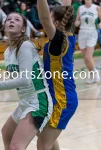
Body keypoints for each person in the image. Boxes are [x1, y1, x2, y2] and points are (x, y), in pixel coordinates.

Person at [0, 12, 53, 150]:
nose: (11, 21)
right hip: (25, 101)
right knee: (7, 133)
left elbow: (25, 80)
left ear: (23, 29)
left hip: (38, 100)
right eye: (8, 19)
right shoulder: (8, 51)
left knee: (17, 146)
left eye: (17, 20)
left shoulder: (25, 46)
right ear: (4, 25)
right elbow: (15, 76)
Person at [36, 0, 78, 149]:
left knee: (42, 145)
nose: (49, 20)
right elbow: (66, 5)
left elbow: (44, 18)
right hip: (58, 97)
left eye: (52, 18)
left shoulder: (59, 40)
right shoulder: (69, 34)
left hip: (62, 100)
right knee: (47, 140)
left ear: (57, 22)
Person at [75, 0, 101, 83]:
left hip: (92, 33)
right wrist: (76, 23)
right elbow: (77, 20)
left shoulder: (97, 8)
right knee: (85, 58)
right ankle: (92, 74)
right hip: (82, 33)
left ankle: (95, 73)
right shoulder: (80, 8)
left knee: (88, 57)